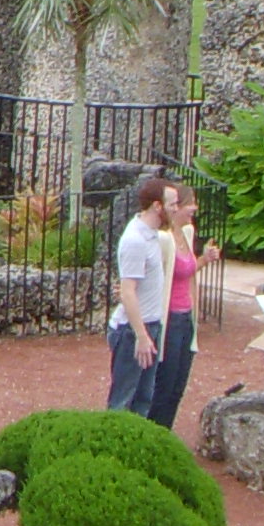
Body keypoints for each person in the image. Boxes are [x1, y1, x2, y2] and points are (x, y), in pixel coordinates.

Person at [104, 174, 172, 416]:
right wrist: (142, 336)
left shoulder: (152, 235)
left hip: (150, 325)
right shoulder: (135, 240)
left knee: (143, 398)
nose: (175, 210)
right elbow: (128, 291)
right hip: (133, 330)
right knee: (123, 400)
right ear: (157, 206)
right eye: (172, 205)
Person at [150, 180, 202, 431]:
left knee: (179, 385)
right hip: (170, 319)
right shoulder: (164, 239)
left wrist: (204, 260)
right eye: (190, 203)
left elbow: (186, 272)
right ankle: (155, 433)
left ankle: (166, 433)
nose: (195, 208)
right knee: (165, 384)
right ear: (177, 207)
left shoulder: (187, 234)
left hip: (186, 317)